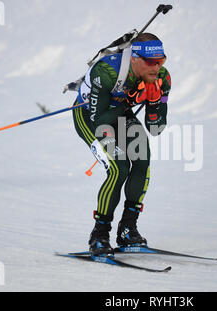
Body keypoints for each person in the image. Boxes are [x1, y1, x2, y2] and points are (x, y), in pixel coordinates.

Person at [72, 32, 171, 255]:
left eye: (161, 61)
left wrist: (156, 101)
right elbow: (100, 121)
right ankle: (99, 234)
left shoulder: (161, 77)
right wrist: (128, 98)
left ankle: (128, 230)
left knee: (142, 160)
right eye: (150, 62)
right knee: (119, 167)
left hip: (119, 113)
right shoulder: (106, 72)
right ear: (134, 58)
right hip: (90, 117)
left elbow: (155, 128)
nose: (157, 68)